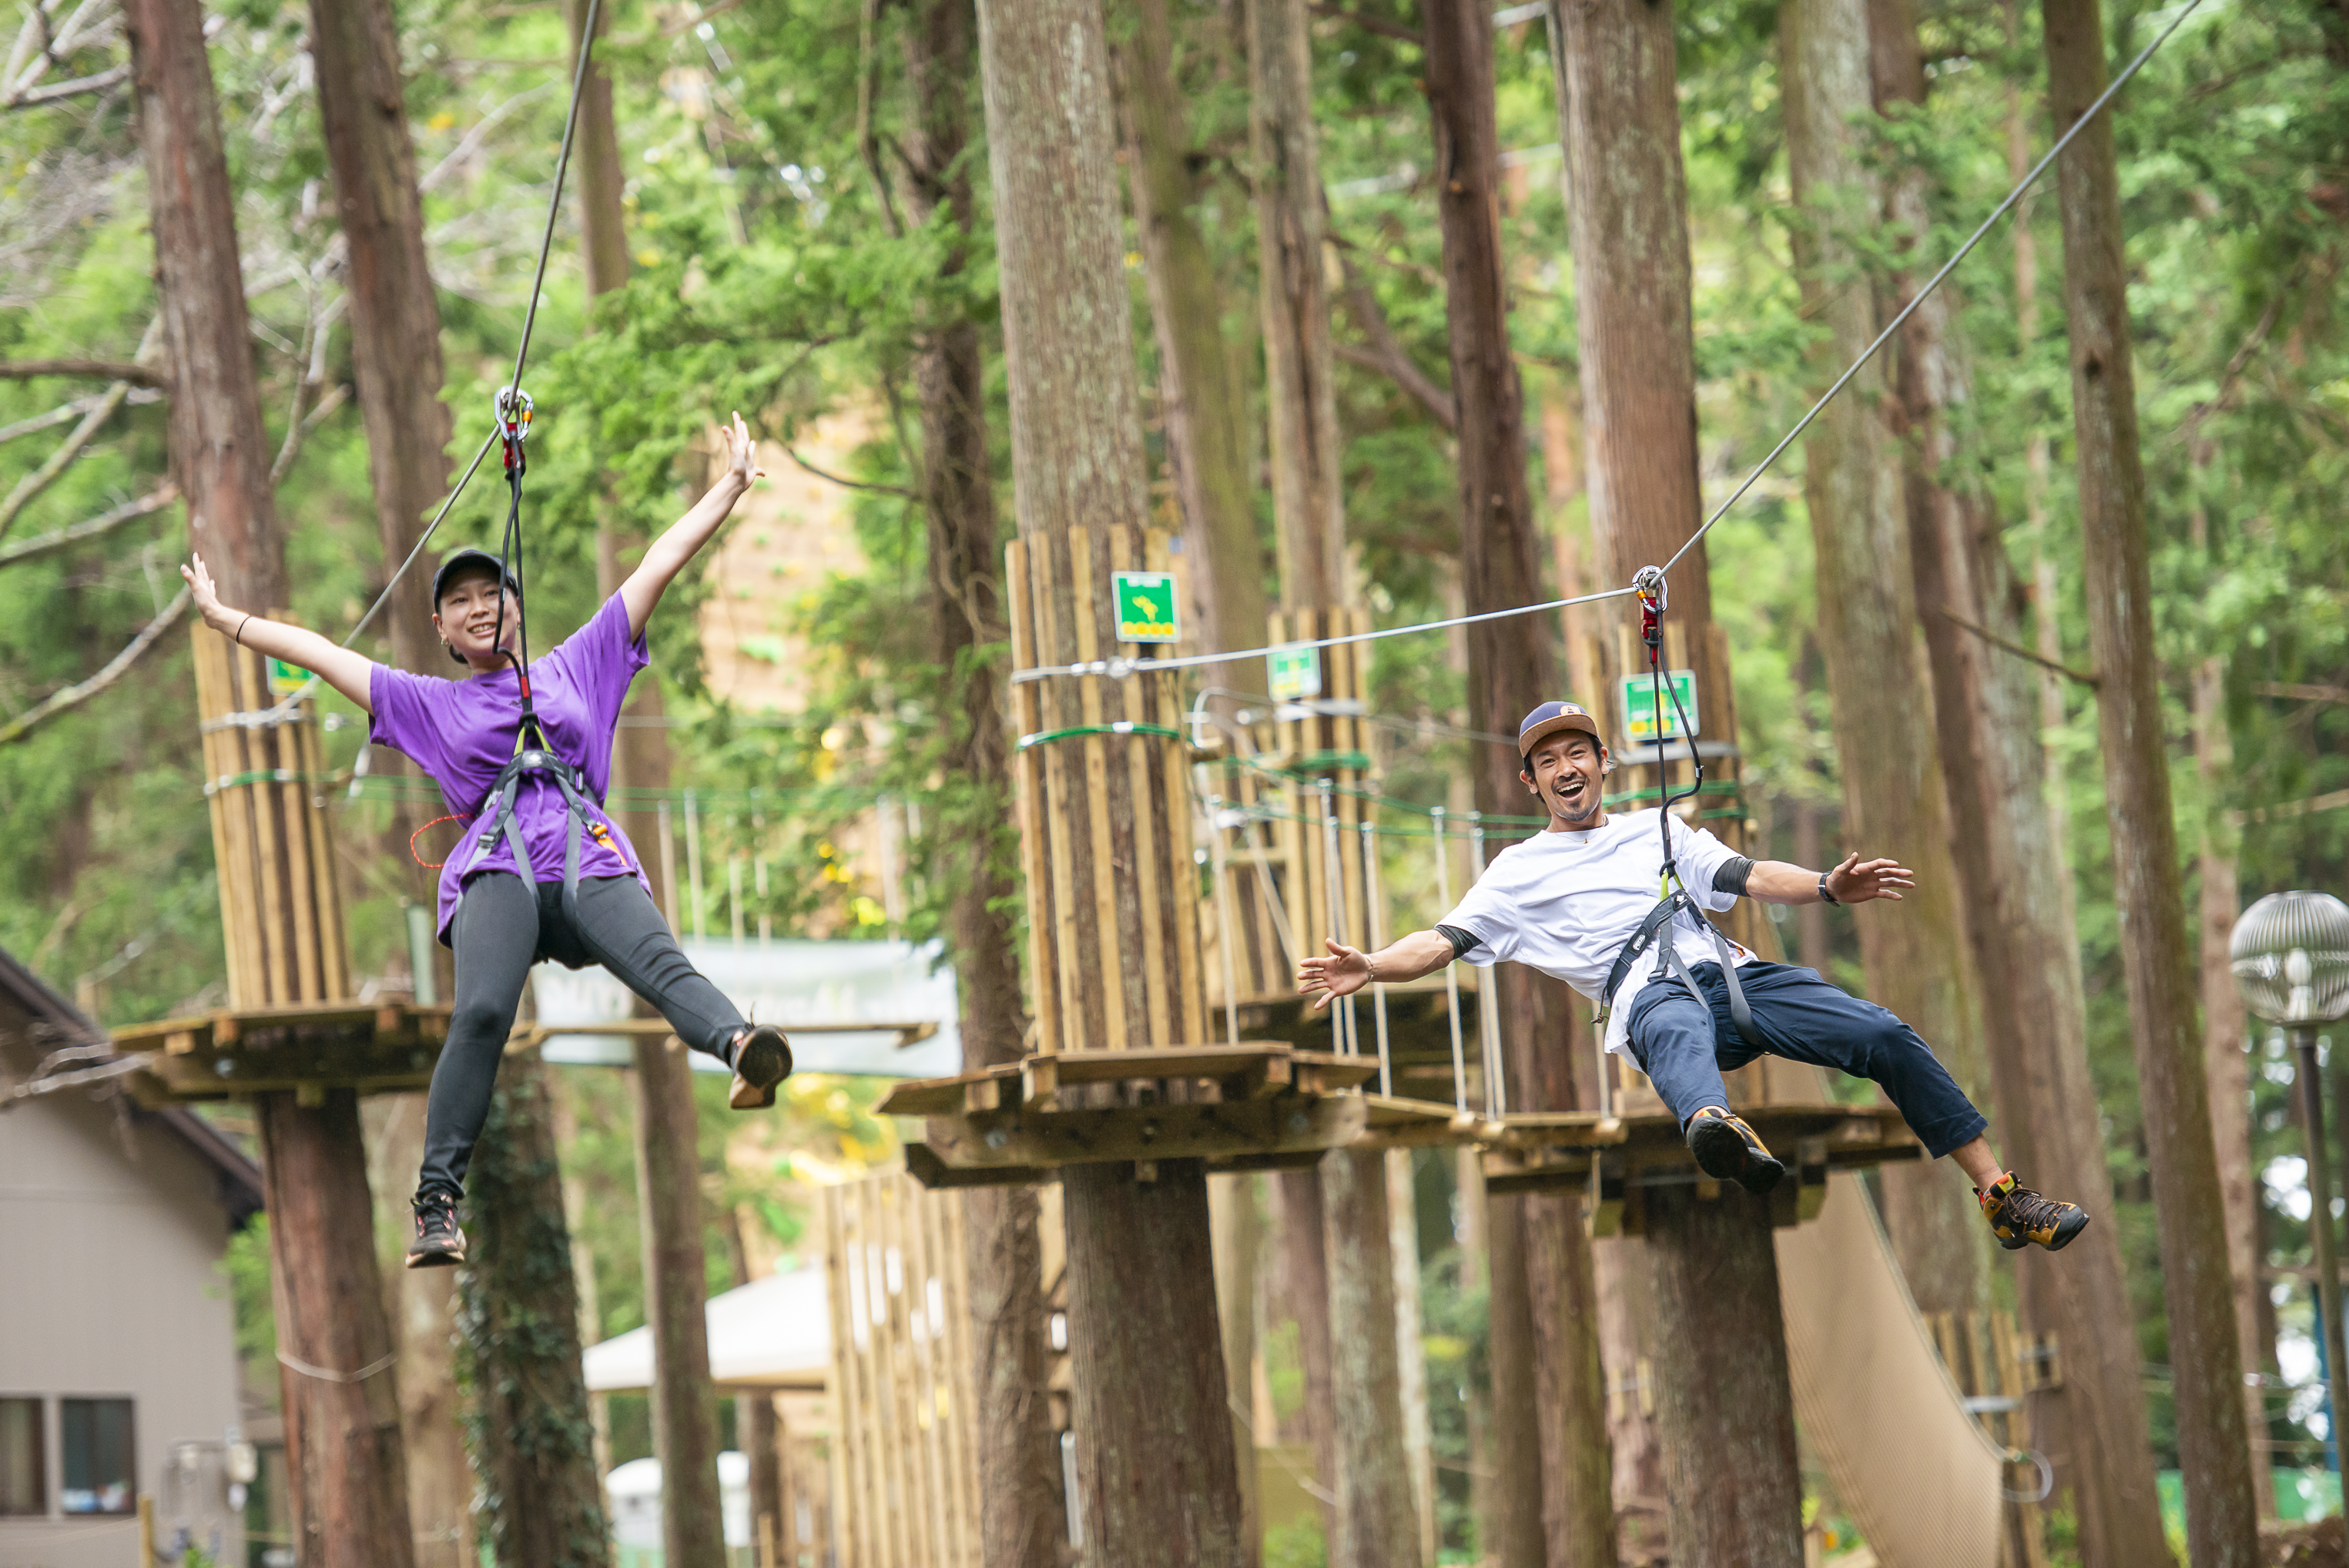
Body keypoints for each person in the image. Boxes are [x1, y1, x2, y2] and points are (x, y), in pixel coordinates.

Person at [181, 412, 793, 1268]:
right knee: (480, 1012)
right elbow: (319, 654)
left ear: (515, 608)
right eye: (458, 602)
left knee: (660, 962)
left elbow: (657, 562)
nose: (476, 609)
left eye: (489, 595)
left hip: (583, 853)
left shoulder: (581, 661)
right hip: (498, 865)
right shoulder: (428, 702)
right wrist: (226, 619)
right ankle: (437, 1204)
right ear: (441, 627)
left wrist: (726, 486)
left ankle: (741, 1048)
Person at [1296, 700, 2090, 1252]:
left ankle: (2000, 1195)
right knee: (1668, 1016)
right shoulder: (1516, 871)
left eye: (1576, 751)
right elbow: (1438, 942)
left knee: (1881, 1032)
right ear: (1529, 783)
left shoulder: (1657, 827)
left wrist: (1824, 884)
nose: (1564, 767)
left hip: (1735, 981)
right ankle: (1713, 1123)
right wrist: (1370, 963)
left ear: (1602, 762)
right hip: (1649, 996)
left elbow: (1745, 874)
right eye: (1547, 761)